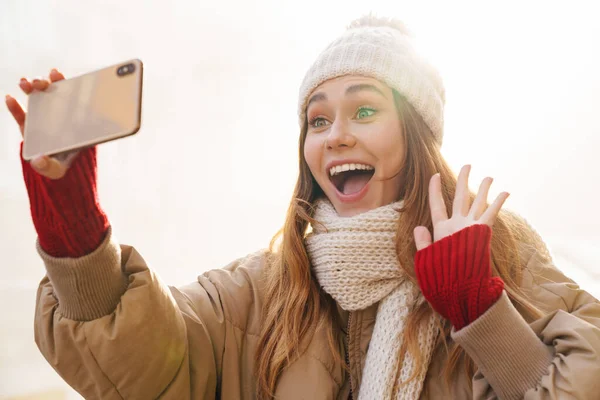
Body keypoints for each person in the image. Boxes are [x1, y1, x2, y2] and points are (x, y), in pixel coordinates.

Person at [5, 16, 600, 400]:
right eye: (317, 120)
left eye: (364, 110)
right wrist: (74, 224)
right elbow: (150, 365)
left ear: (416, 136)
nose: (335, 135)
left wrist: (481, 310)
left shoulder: (492, 246)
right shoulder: (266, 285)